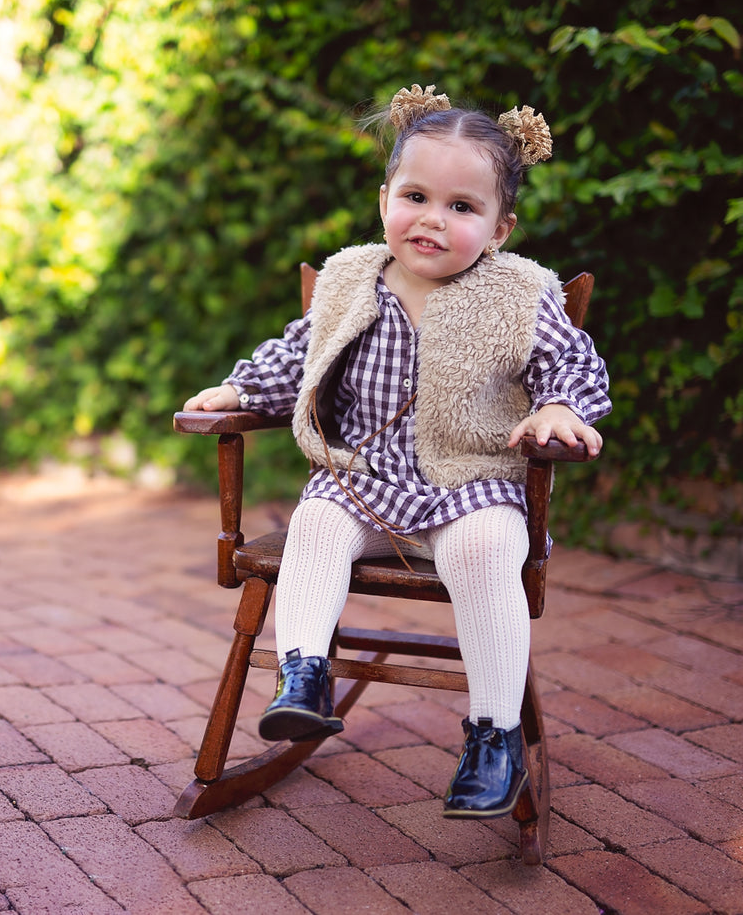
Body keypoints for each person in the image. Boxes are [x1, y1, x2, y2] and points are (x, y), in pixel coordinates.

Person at [183, 84, 610, 819]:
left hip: (471, 483)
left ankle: (493, 737)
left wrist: (559, 407)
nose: (432, 221)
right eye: (415, 196)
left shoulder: (519, 292)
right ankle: (305, 677)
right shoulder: (352, 276)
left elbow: (570, 362)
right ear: (385, 200)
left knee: (483, 554)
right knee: (314, 523)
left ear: (499, 227)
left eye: (461, 208)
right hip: (364, 478)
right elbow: (298, 353)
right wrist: (239, 389)